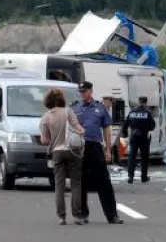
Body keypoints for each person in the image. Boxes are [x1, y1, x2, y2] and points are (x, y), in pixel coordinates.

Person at [71, 81, 124, 225]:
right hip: (79, 148)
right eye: (80, 92)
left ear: (91, 91)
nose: (82, 94)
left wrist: (108, 149)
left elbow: (106, 128)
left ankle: (112, 215)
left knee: (104, 182)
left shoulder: (100, 108)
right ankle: (82, 214)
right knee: (80, 182)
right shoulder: (74, 108)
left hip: (95, 147)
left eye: (85, 91)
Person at [39, 88, 85, 225]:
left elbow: (44, 140)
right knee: (76, 183)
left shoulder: (46, 117)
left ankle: (61, 216)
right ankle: (76, 215)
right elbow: (79, 129)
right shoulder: (68, 112)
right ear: (61, 99)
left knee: (59, 184)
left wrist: (54, 138)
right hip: (73, 151)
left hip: (57, 152)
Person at [122, 96, 156, 184]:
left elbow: (125, 125)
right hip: (144, 138)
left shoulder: (132, 112)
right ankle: (143, 177)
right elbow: (152, 126)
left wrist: (125, 134)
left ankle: (130, 177)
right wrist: (146, 128)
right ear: (145, 103)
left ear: (138, 102)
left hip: (133, 137)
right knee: (144, 158)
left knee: (132, 157)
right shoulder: (147, 113)